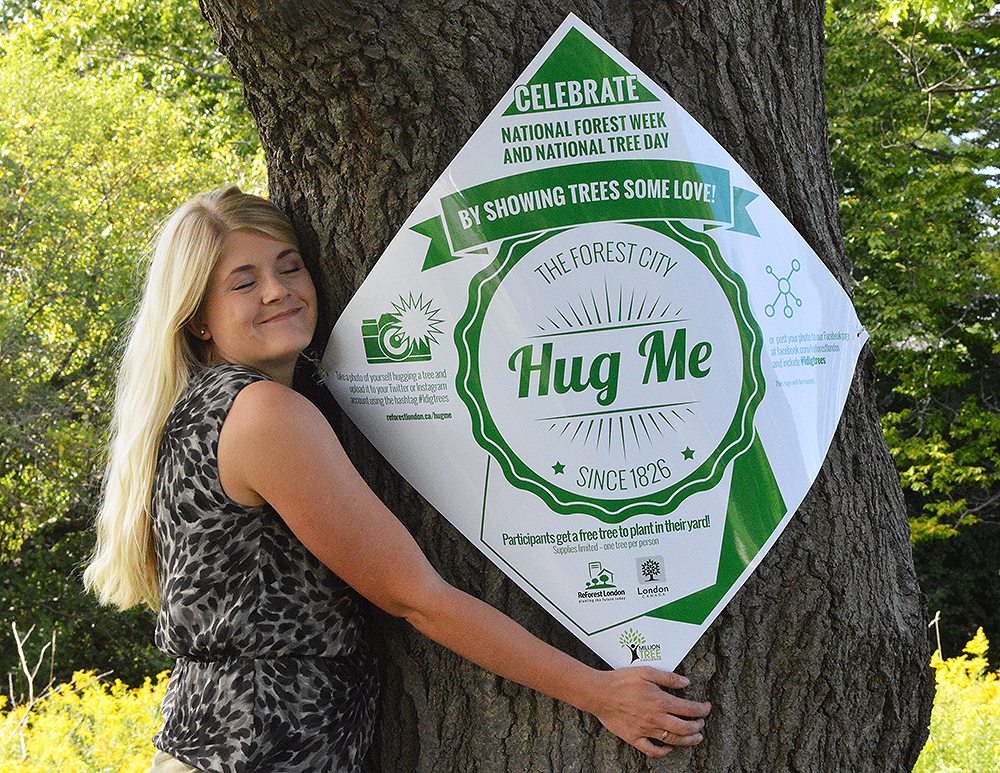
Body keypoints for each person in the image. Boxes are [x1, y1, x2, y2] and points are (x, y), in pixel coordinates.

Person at [84, 186, 711, 773]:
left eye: (290, 266)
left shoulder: (201, 408)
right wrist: (598, 692)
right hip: (258, 750)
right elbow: (415, 596)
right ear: (198, 319)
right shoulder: (265, 415)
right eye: (244, 283)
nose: (278, 291)